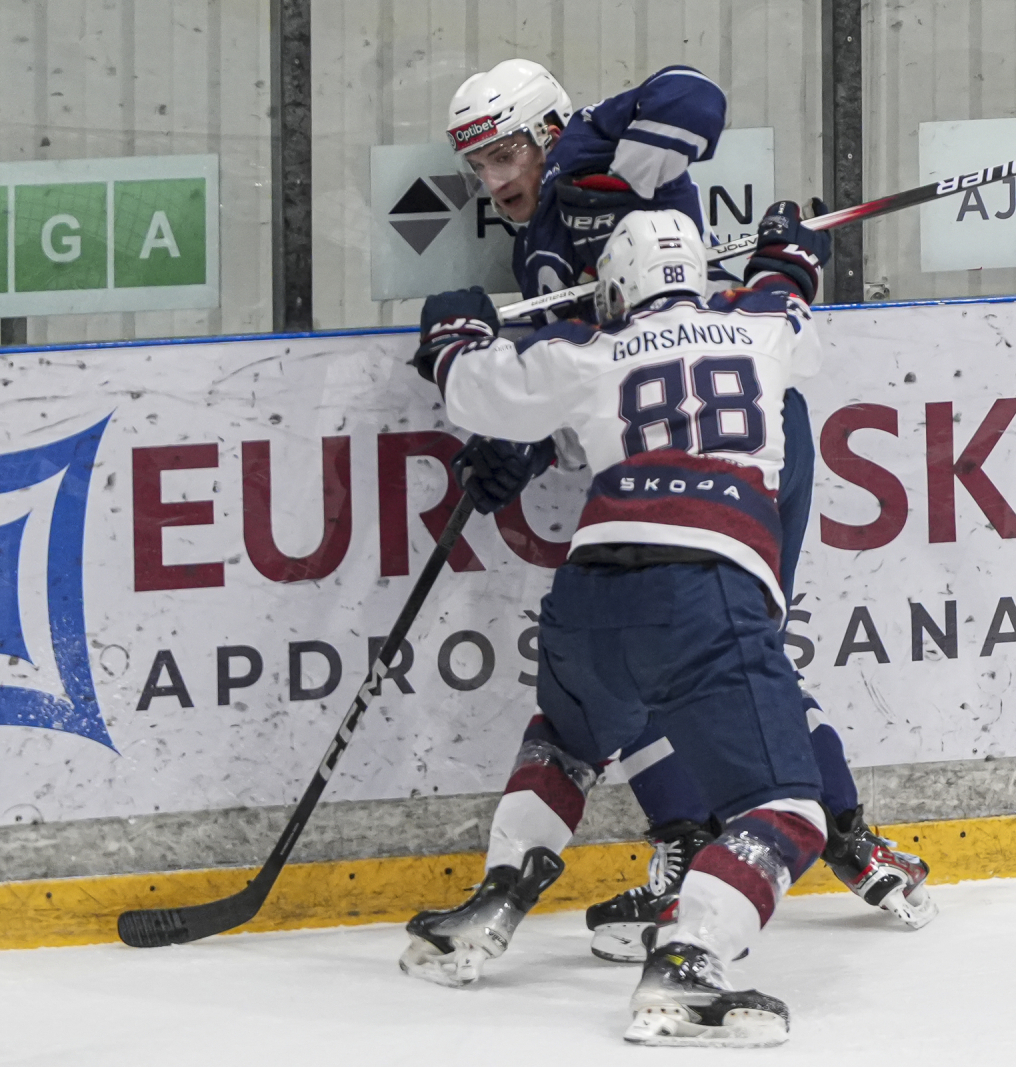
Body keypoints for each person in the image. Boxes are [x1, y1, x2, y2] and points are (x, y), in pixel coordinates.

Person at [445, 59, 936, 959]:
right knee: (674, 655)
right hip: (662, 447)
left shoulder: (592, 152)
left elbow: (691, 97)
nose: (495, 179)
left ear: (548, 130)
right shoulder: (533, 248)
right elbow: (588, 393)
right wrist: (520, 448)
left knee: (708, 652)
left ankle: (816, 834)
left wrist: (611, 164)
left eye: (507, 153)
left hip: (735, 440)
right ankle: (770, 840)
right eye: (479, 165)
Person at [400, 206, 833, 1047]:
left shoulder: (586, 350)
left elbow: (474, 387)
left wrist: (453, 332)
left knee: (565, 740)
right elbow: (793, 303)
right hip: (705, 588)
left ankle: (489, 907)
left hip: (589, 593)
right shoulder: (762, 325)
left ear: (614, 286)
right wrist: (790, 253)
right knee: (788, 808)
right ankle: (688, 963)